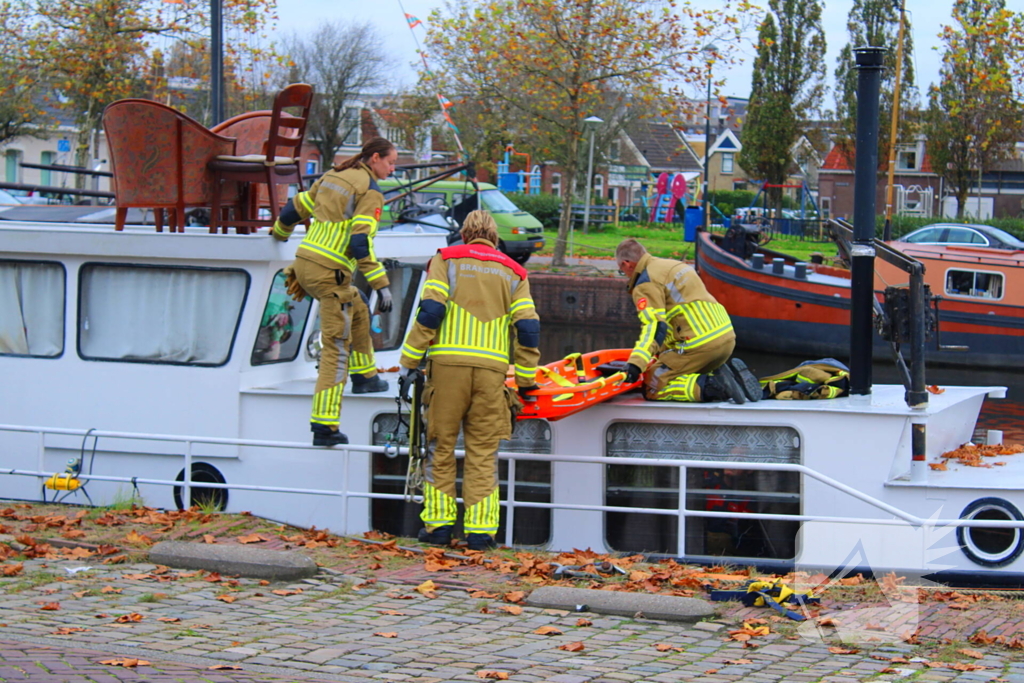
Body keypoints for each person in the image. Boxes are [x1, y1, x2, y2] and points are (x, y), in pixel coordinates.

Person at [398, 210, 540, 551]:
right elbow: (528, 328)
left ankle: (440, 528)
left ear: (464, 233)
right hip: (492, 373)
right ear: (494, 237)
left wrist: (409, 361)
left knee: (439, 448)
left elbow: (431, 311)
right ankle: (481, 533)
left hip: (446, 369)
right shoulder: (514, 271)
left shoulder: (446, 259)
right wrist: (525, 380)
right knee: (483, 452)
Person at [272, 137, 397, 447]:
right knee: (335, 349)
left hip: (304, 264)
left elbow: (295, 207)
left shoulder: (334, 176)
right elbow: (359, 244)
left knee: (358, 305)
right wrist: (382, 285)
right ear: (375, 158)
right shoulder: (370, 191)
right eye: (391, 162)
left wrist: (279, 233)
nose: (392, 169)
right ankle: (324, 426)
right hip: (330, 273)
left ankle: (365, 377)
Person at [615, 237, 760, 404]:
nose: (625, 274)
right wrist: (659, 352)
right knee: (677, 366)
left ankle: (715, 387)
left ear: (627, 264)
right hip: (726, 337)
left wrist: (635, 365)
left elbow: (655, 326)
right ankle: (726, 376)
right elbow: (679, 317)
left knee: (652, 384)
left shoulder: (646, 283)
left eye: (621, 270)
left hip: (698, 345)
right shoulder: (674, 265)